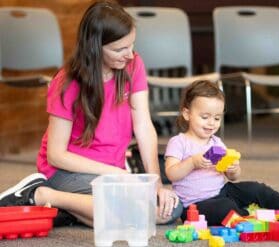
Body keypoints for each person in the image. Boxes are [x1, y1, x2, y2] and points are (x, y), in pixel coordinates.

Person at [0, 0, 182, 226]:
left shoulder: (133, 65)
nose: (129, 55)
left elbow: (143, 126)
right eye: (119, 49)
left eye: (132, 45)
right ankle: (43, 195)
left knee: (171, 208)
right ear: (95, 47)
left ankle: (69, 207)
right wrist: (117, 174)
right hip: (65, 171)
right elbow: (56, 155)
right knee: (133, 211)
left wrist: (156, 182)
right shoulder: (67, 83)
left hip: (111, 173)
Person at [164, 80, 279, 226]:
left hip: (224, 191)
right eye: (205, 117)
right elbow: (172, 173)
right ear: (187, 114)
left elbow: (233, 177)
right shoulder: (179, 142)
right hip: (195, 206)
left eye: (217, 118)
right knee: (225, 208)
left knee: (256, 188)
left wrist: (233, 170)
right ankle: (249, 215)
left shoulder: (216, 142)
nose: (211, 123)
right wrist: (192, 162)